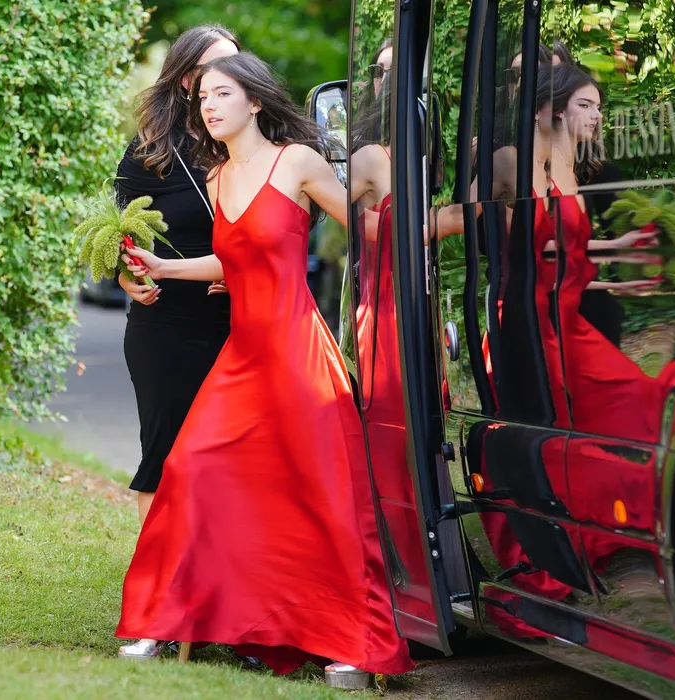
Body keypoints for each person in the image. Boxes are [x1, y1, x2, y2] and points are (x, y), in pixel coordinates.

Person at [115, 51, 414, 686]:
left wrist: (407, 201)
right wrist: (166, 267)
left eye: (223, 94)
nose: (210, 106)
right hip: (242, 356)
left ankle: (350, 643)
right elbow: (233, 259)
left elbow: (364, 230)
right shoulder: (218, 178)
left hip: (299, 356)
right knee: (190, 470)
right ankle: (161, 619)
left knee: (321, 500)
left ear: (254, 101)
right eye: (203, 98)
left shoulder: (295, 161)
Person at [114, 24, 239, 661]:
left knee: (236, 468)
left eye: (239, 67)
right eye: (216, 69)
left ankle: (235, 614)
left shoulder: (254, 143)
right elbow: (122, 236)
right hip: (167, 324)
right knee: (164, 460)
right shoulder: (150, 152)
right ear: (188, 79)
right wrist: (124, 273)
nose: (230, 80)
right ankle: (159, 613)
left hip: (244, 324)